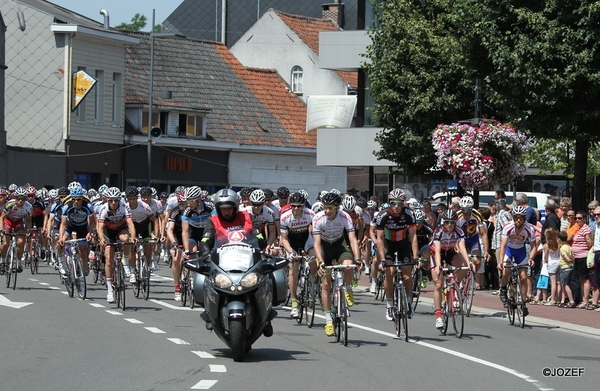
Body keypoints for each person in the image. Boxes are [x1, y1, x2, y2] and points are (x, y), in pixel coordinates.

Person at [312, 192, 362, 336]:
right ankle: (328, 320)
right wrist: (321, 262)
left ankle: (347, 288)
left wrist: (358, 259)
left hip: (339, 245)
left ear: (337, 208)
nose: (327, 211)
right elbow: (316, 243)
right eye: (325, 207)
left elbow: (352, 240)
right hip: (324, 248)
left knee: (348, 264)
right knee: (326, 284)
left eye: (330, 208)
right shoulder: (318, 218)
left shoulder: (345, 217)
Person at [374, 189, 419, 322]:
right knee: (390, 272)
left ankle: (408, 301)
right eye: (393, 203)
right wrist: (382, 259)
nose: (396, 206)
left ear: (403, 203)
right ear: (390, 203)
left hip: (403, 244)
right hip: (388, 245)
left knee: (407, 277)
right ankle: (389, 304)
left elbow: (414, 236)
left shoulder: (409, 214)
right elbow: (380, 240)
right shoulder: (383, 215)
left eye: (399, 203)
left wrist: (415, 257)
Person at [430, 209, 472, 329]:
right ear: (443, 222)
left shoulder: (459, 231)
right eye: (447, 222)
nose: (449, 225)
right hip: (436, 254)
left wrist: (469, 264)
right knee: (438, 284)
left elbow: (462, 248)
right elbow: (437, 251)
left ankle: (455, 286)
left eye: (452, 222)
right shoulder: (438, 232)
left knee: (464, 266)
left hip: (450, 252)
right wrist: (438, 266)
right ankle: (438, 316)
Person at [96, 187, 137, 303]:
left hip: (121, 229)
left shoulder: (124, 206)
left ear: (119, 200)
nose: (113, 203)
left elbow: (130, 224)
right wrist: (101, 239)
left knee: (125, 239)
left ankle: (126, 260)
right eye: (111, 200)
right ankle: (109, 290)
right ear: (107, 200)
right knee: (108, 259)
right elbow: (100, 227)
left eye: (115, 200)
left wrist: (133, 237)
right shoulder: (103, 208)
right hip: (108, 231)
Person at [279, 191, 316, 318]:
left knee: (313, 260)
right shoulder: (285, 217)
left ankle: (312, 283)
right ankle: (294, 303)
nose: (296, 208)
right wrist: (290, 252)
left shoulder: (311, 214)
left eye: (299, 206)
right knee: (293, 271)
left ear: (303, 206)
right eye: (293, 206)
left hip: (306, 239)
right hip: (292, 242)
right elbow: (284, 238)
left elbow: (315, 233)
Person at [497, 205, 538, 312]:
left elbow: (534, 247)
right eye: (516, 218)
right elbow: (503, 246)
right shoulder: (508, 227)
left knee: (524, 277)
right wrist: (501, 262)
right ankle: (504, 288)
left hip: (521, 251)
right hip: (509, 250)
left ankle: (523, 303)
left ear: (524, 219)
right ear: (513, 218)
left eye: (521, 218)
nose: (519, 220)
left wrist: (531, 258)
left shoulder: (529, 229)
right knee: (506, 271)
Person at [56, 187, 95, 277]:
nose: (76, 201)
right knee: (60, 243)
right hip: (70, 227)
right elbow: (63, 224)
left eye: (78, 199)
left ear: (82, 199)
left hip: (82, 228)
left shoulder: (88, 206)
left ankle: (83, 270)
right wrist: (61, 237)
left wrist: (89, 232)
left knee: (83, 251)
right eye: (73, 199)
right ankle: (61, 263)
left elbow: (93, 222)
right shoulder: (67, 207)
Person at [0, 187, 32, 273]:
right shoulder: (10, 204)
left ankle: (18, 262)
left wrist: (28, 230)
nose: (20, 201)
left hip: (19, 223)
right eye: (18, 198)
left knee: (21, 242)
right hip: (8, 222)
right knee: (5, 243)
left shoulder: (28, 207)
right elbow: (2, 217)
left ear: (25, 199)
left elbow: (28, 220)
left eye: (23, 199)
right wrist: (1, 230)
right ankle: (2, 261)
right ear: (15, 198)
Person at [571, 211, 593, 308]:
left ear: (584, 219)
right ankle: (582, 299)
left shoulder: (585, 229)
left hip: (582, 256)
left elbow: (589, 242)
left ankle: (585, 300)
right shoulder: (579, 229)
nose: (577, 220)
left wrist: (589, 254)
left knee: (585, 279)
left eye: (580, 218)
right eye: (576, 218)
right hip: (577, 257)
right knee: (581, 279)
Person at [542, 228, 561, 306]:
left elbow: (546, 256)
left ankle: (553, 300)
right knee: (558, 282)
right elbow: (559, 253)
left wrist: (545, 260)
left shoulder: (547, 245)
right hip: (558, 262)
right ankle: (558, 299)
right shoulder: (558, 243)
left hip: (551, 263)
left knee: (553, 283)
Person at [557, 231, 576, 307]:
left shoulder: (562, 248)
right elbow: (573, 257)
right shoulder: (569, 247)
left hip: (565, 268)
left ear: (559, 239)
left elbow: (567, 259)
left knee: (565, 285)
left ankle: (571, 301)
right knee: (563, 284)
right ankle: (563, 300)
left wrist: (569, 260)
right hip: (570, 267)